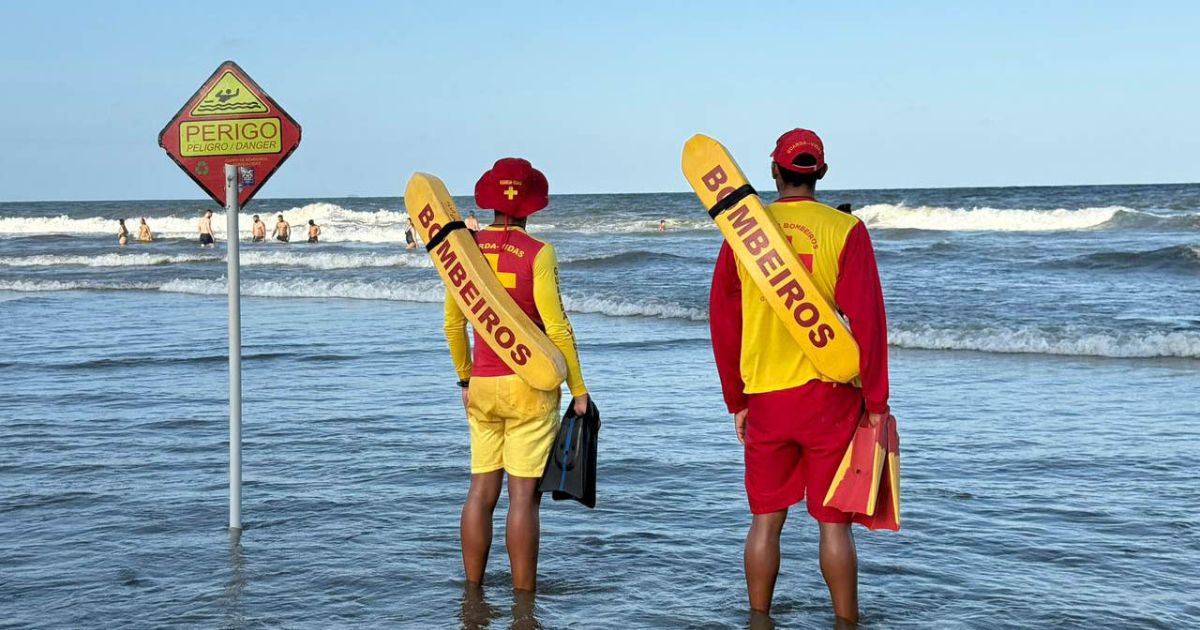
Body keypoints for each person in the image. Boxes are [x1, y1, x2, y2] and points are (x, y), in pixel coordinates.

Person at [708, 129, 890, 623]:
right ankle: (846, 622)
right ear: (822, 173)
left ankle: (759, 619)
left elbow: (724, 320)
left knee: (765, 523)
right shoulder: (845, 230)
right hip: (830, 400)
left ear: (774, 172)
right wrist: (876, 403)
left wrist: (736, 400)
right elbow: (870, 323)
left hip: (766, 396)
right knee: (834, 527)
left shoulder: (746, 233)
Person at [444, 157, 589, 593]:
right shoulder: (540, 253)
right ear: (531, 206)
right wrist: (578, 389)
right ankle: (524, 605)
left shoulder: (463, 253)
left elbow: (453, 324)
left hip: (484, 387)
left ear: (490, 201)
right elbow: (557, 325)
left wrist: (466, 380)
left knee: (480, 493)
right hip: (530, 386)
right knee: (523, 499)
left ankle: (473, 592)